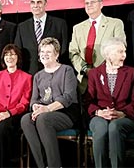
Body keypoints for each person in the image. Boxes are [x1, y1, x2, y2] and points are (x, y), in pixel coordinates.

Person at [21, 37, 80, 168]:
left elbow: (68, 97)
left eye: (48, 52)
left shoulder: (67, 70)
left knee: (43, 119)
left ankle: (55, 165)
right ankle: (42, 165)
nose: (44, 55)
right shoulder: (38, 75)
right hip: (43, 112)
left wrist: (47, 109)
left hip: (65, 112)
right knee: (26, 120)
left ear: (57, 54)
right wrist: (35, 106)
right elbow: (34, 99)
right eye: (42, 52)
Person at [86, 37, 134, 168]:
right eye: (120, 52)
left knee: (115, 127)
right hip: (100, 115)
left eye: (124, 52)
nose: (124, 55)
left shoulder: (131, 72)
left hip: (125, 116)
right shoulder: (94, 73)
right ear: (108, 54)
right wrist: (99, 112)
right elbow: (88, 101)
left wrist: (122, 113)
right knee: (101, 127)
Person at [0, 43, 32, 168]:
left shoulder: (27, 77)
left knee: (3, 128)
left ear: (18, 57)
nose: (9, 57)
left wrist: (8, 113)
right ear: (3, 58)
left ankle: (5, 163)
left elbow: (24, 103)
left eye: (13, 54)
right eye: (7, 54)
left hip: (15, 114)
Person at [69, 0, 126, 95]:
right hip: (84, 82)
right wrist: (85, 69)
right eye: (87, 3)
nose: (89, 5)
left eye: (93, 2)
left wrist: (100, 71)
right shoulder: (77, 28)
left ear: (101, 4)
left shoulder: (115, 24)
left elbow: (120, 49)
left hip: (109, 78)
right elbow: (73, 53)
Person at [15, 0, 68, 75]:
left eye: (39, 2)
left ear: (45, 4)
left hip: (54, 74)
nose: (35, 5)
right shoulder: (22, 27)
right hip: (30, 75)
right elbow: (18, 52)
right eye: (33, 2)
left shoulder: (59, 24)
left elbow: (64, 50)